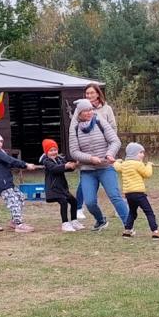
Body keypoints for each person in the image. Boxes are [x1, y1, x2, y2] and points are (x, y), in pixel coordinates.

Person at [68, 98, 129, 231]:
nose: (89, 112)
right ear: (79, 113)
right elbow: (74, 151)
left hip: (106, 168)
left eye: (91, 109)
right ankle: (101, 220)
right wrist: (90, 158)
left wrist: (110, 154)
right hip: (87, 170)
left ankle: (128, 225)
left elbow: (115, 141)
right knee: (90, 202)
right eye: (86, 111)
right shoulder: (75, 128)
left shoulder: (100, 122)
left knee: (115, 196)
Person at [0, 131, 38, 232]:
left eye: (0, 141)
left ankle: (14, 221)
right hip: (2, 183)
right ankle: (19, 225)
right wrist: (25, 165)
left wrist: (24, 165)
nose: (0, 143)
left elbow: (9, 163)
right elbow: (10, 160)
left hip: (6, 181)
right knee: (14, 201)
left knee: (20, 197)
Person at [75, 83, 117, 220]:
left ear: (98, 94)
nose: (89, 95)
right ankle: (79, 207)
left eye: (92, 93)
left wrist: (110, 150)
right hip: (87, 152)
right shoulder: (80, 109)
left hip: (104, 150)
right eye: (87, 93)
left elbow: (113, 128)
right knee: (84, 182)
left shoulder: (106, 109)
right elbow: (76, 128)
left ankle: (118, 207)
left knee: (111, 184)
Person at [113, 142, 159, 239]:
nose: (143, 155)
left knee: (132, 212)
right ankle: (155, 231)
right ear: (133, 153)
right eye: (140, 152)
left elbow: (117, 167)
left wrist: (117, 161)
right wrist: (149, 165)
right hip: (139, 193)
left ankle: (128, 230)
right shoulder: (138, 164)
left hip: (128, 194)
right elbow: (147, 174)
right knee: (149, 212)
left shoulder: (124, 164)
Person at [39, 139, 82, 232]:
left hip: (62, 187)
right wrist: (66, 166)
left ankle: (74, 221)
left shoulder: (59, 159)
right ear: (46, 152)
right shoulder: (46, 161)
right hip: (53, 188)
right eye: (51, 150)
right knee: (63, 202)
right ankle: (65, 223)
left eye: (55, 150)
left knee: (74, 201)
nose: (53, 152)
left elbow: (66, 168)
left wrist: (74, 165)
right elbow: (54, 169)